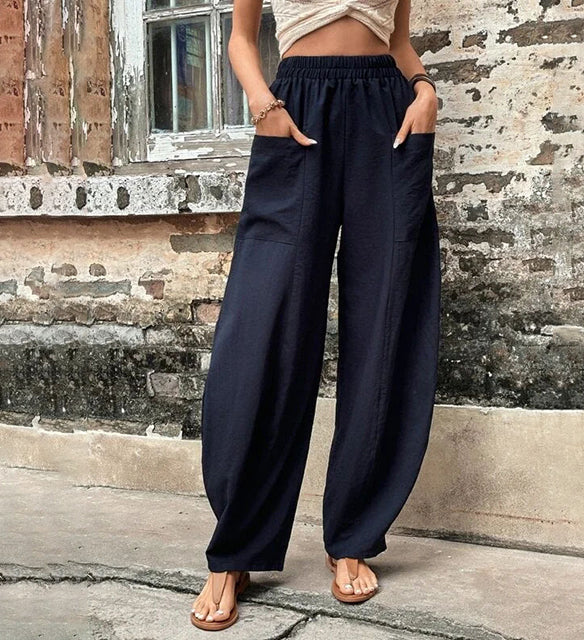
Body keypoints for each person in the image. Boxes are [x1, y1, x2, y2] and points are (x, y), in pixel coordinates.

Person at [191, 0, 440, 631]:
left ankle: (352, 535)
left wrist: (425, 90)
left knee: (388, 316)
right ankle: (238, 545)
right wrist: (263, 105)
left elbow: (398, 42)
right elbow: (241, 39)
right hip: (295, 108)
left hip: (388, 113)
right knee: (264, 323)